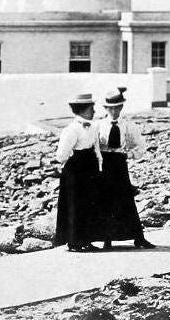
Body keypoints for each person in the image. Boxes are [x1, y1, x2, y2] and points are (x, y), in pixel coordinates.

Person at [96, 89, 155, 249]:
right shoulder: (99, 125)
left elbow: (140, 146)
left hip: (119, 163)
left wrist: (129, 154)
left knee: (125, 199)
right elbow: (93, 145)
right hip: (103, 164)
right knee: (105, 200)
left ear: (121, 107)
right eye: (111, 108)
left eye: (117, 107)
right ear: (106, 108)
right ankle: (106, 239)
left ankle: (138, 238)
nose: (114, 111)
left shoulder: (128, 126)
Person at [53, 93, 104, 252]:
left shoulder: (93, 127)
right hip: (75, 171)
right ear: (82, 109)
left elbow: (96, 149)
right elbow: (61, 155)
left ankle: (86, 240)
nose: (94, 111)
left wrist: (99, 165)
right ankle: (74, 242)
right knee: (75, 205)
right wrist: (74, 159)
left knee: (89, 203)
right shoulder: (71, 129)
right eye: (91, 108)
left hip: (90, 167)